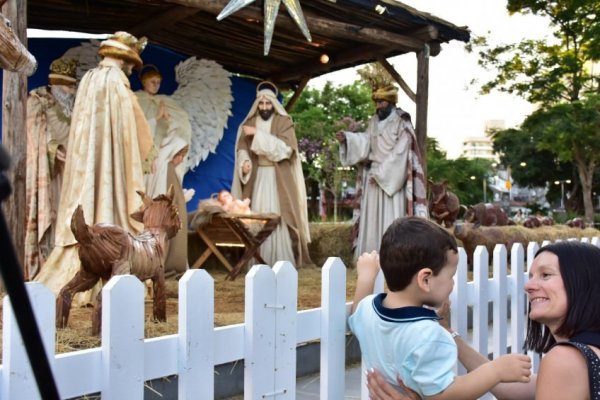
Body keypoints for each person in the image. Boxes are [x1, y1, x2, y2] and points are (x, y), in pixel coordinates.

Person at [367, 240, 600, 400]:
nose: (528, 286)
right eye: (530, 276)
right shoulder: (586, 353)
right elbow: (510, 387)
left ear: (582, 283)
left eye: (546, 275)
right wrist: (449, 334)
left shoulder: (566, 360)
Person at [349, 216, 531, 399]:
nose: (452, 283)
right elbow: (444, 394)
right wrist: (496, 371)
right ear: (425, 279)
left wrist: (366, 277)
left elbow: (356, 312)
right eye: (450, 276)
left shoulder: (368, 311)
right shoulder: (429, 335)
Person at [35, 31, 156, 302]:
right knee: (109, 201)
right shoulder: (117, 82)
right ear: (125, 59)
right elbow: (132, 129)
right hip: (111, 165)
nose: (129, 67)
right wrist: (147, 153)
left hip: (86, 162)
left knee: (89, 200)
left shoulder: (89, 78)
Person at [335, 85, 428, 257]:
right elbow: (366, 142)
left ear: (391, 102)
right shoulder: (373, 122)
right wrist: (348, 139)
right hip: (373, 177)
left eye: (382, 102)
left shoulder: (402, 122)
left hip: (392, 180)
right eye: (376, 102)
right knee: (371, 220)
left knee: (390, 220)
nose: (378, 106)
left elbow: (402, 150)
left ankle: (392, 259)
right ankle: (370, 258)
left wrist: (382, 174)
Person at [231, 81, 312, 268]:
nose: (265, 107)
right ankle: (259, 260)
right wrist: (244, 163)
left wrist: (258, 135)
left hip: (279, 181)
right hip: (258, 180)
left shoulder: (284, 123)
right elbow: (242, 148)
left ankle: (282, 259)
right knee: (257, 218)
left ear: (274, 104)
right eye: (261, 104)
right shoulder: (249, 123)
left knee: (281, 215)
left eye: (268, 104)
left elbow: (285, 150)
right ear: (257, 105)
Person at [24, 57, 78, 281]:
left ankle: (64, 268)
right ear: (56, 84)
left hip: (71, 172)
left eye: (72, 85)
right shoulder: (37, 101)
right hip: (47, 171)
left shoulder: (72, 106)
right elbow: (33, 135)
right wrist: (54, 149)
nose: (70, 90)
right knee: (52, 215)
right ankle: (46, 267)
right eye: (66, 86)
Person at [146, 134, 195, 274]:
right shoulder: (166, 168)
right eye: (181, 156)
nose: (181, 160)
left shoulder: (166, 168)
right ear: (174, 153)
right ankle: (169, 266)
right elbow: (169, 194)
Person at [135, 65, 192, 178]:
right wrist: (157, 117)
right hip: (140, 148)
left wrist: (168, 119)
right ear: (144, 82)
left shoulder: (165, 101)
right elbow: (135, 126)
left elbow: (181, 124)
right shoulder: (135, 99)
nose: (156, 85)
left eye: (158, 82)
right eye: (153, 82)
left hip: (159, 149)